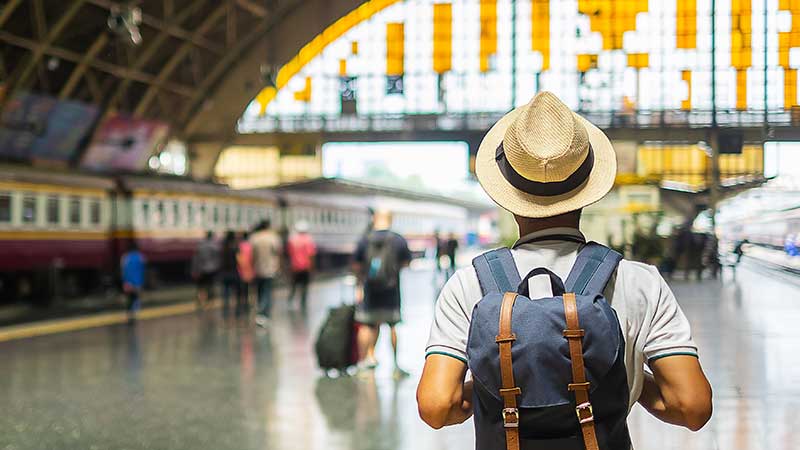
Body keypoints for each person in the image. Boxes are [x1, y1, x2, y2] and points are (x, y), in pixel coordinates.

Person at [417, 92, 712, 443]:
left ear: (507, 190)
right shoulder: (639, 281)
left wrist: (494, 381)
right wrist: (619, 376)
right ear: (588, 186)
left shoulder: (469, 285)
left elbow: (436, 405)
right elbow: (691, 406)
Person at [353, 209, 412, 378]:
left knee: (367, 325)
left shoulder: (365, 239)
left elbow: (357, 265)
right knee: (393, 326)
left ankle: (363, 363)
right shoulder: (398, 239)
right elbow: (406, 263)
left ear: (374, 219)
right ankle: (395, 366)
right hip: (391, 290)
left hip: (370, 290)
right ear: (390, 219)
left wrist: (359, 286)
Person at [251, 219, 282, 326]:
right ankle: (264, 314)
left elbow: (251, 255)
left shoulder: (254, 237)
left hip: (257, 268)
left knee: (259, 290)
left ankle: (260, 311)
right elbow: (278, 253)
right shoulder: (273, 237)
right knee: (267, 291)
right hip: (270, 268)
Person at [286, 221, 317, 310]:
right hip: (305, 267)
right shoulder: (309, 240)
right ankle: (303, 304)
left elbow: (289, 254)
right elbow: (311, 255)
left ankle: (290, 301)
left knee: (293, 286)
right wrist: (312, 267)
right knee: (304, 286)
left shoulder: (292, 240)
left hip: (295, 267)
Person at [191, 231, 220, 309]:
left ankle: (201, 301)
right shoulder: (214, 246)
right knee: (210, 285)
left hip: (201, 269)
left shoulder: (200, 246)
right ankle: (209, 302)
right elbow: (217, 259)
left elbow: (196, 259)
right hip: (212, 269)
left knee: (201, 286)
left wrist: (194, 269)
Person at [121, 241, 145, 322]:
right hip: (137, 282)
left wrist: (125, 281)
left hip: (128, 282)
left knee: (129, 298)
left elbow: (123, 270)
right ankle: (134, 314)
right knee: (136, 298)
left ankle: (129, 315)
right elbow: (142, 270)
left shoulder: (125, 257)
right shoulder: (140, 257)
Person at [220, 231, 240, 317]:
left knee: (225, 293)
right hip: (234, 272)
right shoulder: (235, 248)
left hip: (225, 273)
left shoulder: (223, 248)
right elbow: (239, 260)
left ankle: (225, 311)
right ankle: (237, 311)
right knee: (236, 293)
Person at [237, 231, 255, 315]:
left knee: (242, 290)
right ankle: (248, 304)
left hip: (241, 270)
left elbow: (238, 258)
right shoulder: (251, 246)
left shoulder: (239, 246)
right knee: (249, 289)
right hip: (250, 270)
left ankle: (242, 305)